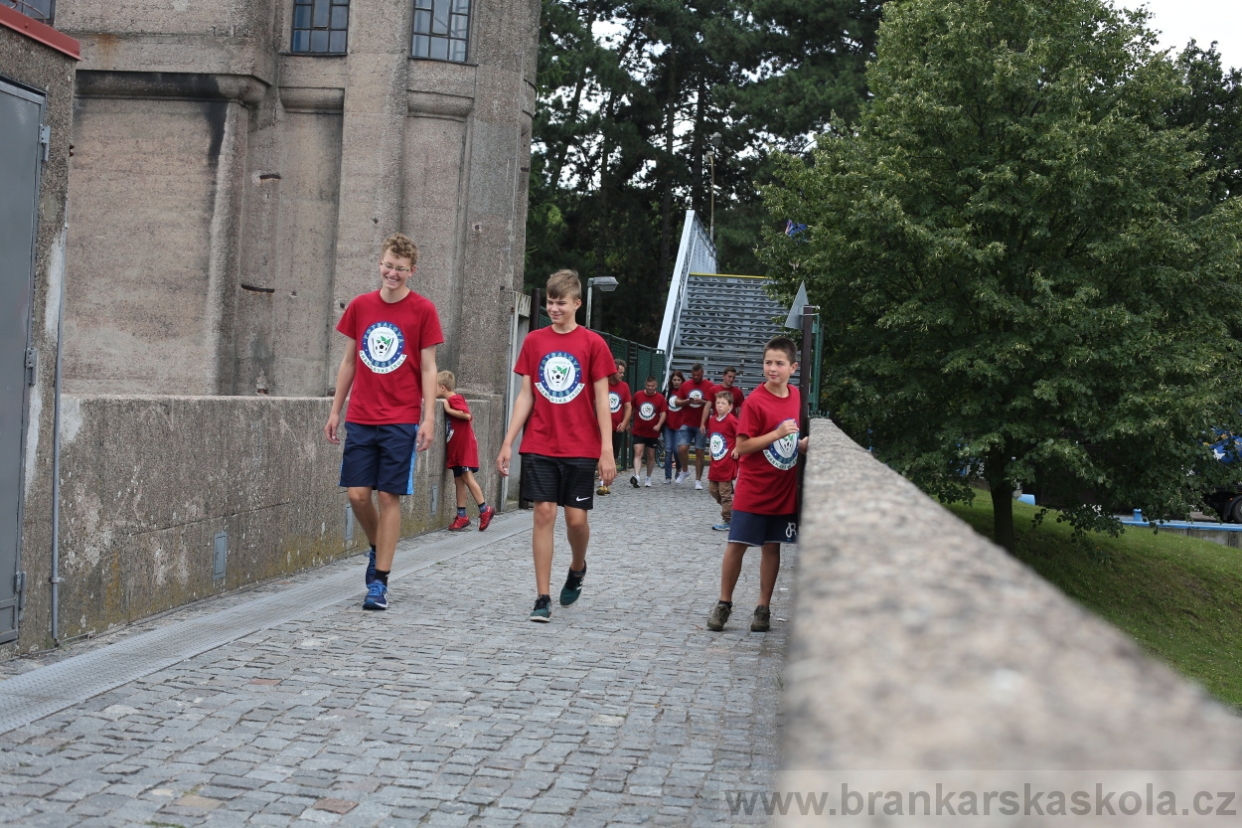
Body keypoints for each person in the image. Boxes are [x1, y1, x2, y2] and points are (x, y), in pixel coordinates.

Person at [325, 233, 443, 611]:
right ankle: (378, 546)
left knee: (389, 496)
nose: (393, 273)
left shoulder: (423, 310)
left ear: (412, 271)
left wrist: (428, 417)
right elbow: (349, 361)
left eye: (400, 269)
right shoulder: (360, 306)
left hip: (401, 419)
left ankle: (380, 582)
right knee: (357, 495)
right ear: (380, 264)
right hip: (361, 416)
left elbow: (429, 368)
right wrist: (335, 410)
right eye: (389, 266)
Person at [497, 270, 616, 622]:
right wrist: (508, 441)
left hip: (581, 446)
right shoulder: (534, 341)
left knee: (576, 521)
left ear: (577, 303)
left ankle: (577, 567)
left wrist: (606, 449)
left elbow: (602, 399)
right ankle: (542, 596)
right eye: (550, 302)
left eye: (560, 303)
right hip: (540, 443)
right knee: (544, 513)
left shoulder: (593, 343)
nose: (554, 308)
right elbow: (526, 395)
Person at [706, 336, 808, 633]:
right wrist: (777, 434)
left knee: (772, 547)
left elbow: (792, 438)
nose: (772, 368)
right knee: (737, 544)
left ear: (793, 367)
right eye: (768, 362)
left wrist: (801, 444)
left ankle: (763, 608)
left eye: (779, 363)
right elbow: (743, 446)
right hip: (754, 488)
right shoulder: (754, 402)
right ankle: (724, 603)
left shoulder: (797, 397)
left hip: (783, 489)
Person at [436, 370, 496, 532]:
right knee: (459, 480)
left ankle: (484, 509)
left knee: (467, 478)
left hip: (463, 447)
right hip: (457, 448)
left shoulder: (454, 399)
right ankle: (461, 515)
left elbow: (466, 415)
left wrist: (448, 410)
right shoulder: (452, 399)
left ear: (442, 387)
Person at [676, 363, 713, 489]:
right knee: (682, 448)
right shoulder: (686, 385)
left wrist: (701, 401)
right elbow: (677, 401)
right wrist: (687, 401)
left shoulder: (709, 385)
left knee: (699, 452)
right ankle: (685, 470)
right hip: (686, 422)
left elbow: (713, 403)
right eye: (693, 375)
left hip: (702, 424)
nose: (696, 377)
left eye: (698, 375)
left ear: (702, 373)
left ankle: (698, 480)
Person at [706, 388, 739, 531]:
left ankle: (728, 519)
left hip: (726, 462)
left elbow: (741, 435)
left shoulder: (731, 420)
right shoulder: (712, 420)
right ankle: (733, 510)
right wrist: (711, 449)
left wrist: (737, 448)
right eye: (718, 402)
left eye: (723, 403)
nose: (719, 405)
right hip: (715, 462)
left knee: (725, 493)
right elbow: (713, 437)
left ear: (730, 407)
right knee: (713, 490)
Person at [599, 358, 632, 495]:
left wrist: (624, 422)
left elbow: (628, 406)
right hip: (601, 427)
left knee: (613, 456)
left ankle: (606, 482)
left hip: (616, 428)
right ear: (613, 371)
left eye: (623, 373)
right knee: (599, 454)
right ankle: (602, 483)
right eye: (620, 372)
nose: (622, 375)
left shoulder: (624, 387)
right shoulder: (602, 384)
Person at [630, 376, 667, 487]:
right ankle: (637, 476)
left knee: (651, 455)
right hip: (639, 430)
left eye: (652, 386)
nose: (650, 388)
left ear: (656, 386)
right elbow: (631, 409)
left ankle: (648, 477)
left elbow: (663, 413)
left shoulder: (660, 398)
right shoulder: (638, 395)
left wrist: (659, 425)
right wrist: (628, 421)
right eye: (648, 386)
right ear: (645, 385)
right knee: (638, 452)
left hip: (652, 432)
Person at [663, 370, 688, 484]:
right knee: (668, 450)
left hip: (680, 426)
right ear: (671, 381)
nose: (676, 382)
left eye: (678, 380)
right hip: (668, 425)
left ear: (682, 381)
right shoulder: (667, 392)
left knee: (676, 450)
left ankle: (679, 468)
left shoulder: (685, 393)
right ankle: (668, 477)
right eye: (674, 380)